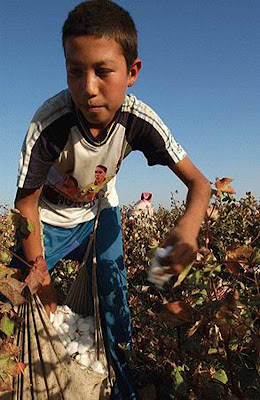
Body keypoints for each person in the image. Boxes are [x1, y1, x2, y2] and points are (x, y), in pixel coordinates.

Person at [12, 1, 211, 399]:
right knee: (18, 306)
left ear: (132, 72)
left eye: (103, 71)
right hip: (47, 219)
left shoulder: (139, 121)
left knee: (116, 308)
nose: (88, 87)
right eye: (75, 71)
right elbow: (25, 205)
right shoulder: (49, 124)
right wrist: (44, 286)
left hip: (98, 214)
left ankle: (120, 388)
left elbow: (200, 185)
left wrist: (186, 231)